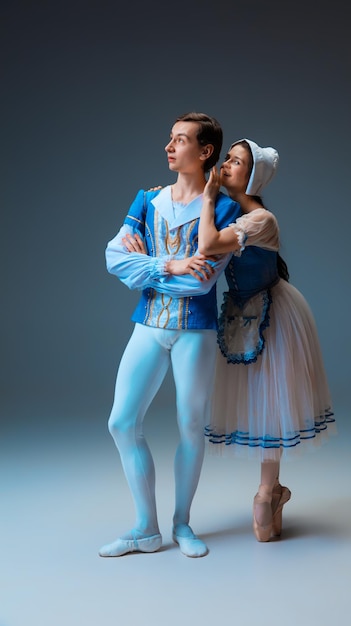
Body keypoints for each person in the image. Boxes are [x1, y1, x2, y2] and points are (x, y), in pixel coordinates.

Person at [100, 112, 241, 558]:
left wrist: (148, 270)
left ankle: (182, 523)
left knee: (190, 426)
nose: (169, 146)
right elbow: (112, 258)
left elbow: (201, 283)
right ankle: (145, 527)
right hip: (148, 325)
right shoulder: (147, 200)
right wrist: (170, 265)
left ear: (205, 152)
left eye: (180, 140)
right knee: (121, 422)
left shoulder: (223, 209)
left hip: (195, 331)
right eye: (170, 138)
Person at [198, 138, 335, 542]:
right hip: (243, 313)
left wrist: (206, 199)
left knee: (270, 399)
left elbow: (207, 244)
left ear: (252, 176)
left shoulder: (261, 219)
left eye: (236, 162)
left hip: (274, 314)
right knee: (261, 397)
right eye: (227, 158)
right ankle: (267, 495)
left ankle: (265, 494)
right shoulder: (231, 212)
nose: (226, 165)